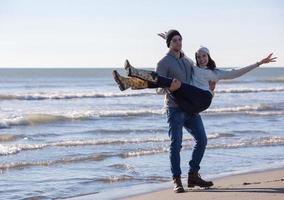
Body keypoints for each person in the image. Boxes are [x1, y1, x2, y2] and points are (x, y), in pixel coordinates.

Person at [112, 29, 276, 193]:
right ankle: (178, 180)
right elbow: (158, 89)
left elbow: (233, 73)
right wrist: (170, 87)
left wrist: (258, 63)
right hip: (175, 108)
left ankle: (193, 174)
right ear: (170, 43)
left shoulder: (193, 65)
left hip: (194, 106)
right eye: (174, 40)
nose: (178, 43)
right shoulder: (172, 63)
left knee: (201, 139)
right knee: (176, 144)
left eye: (179, 40)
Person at [114, 50, 276, 114]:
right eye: (198, 57)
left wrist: (259, 63)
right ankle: (129, 83)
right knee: (167, 83)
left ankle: (133, 74)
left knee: (172, 82)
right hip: (190, 101)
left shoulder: (215, 73)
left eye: (204, 56)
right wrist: (169, 41)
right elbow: (180, 54)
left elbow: (235, 73)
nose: (201, 59)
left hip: (203, 98)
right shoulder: (192, 67)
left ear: (209, 57)